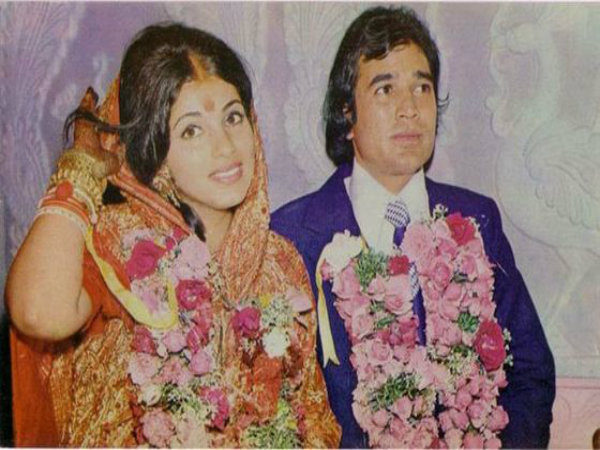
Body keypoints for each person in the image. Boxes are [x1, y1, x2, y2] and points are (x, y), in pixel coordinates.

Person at [6, 23, 340, 448]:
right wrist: (80, 170)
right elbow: (38, 313)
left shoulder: (279, 260)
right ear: (155, 152)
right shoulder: (121, 245)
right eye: (191, 130)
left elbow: (312, 414)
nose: (226, 147)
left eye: (233, 117)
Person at [272, 5, 555, 449]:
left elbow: (531, 375)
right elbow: (278, 407)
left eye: (422, 87)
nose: (409, 109)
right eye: (385, 89)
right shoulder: (292, 236)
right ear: (347, 113)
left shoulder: (476, 221)